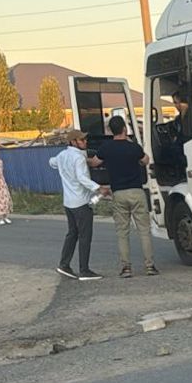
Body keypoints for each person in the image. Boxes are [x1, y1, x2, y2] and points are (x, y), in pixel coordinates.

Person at [94, 115, 157, 278]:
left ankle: (126, 268)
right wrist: (131, 143)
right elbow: (146, 160)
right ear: (124, 128)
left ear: (110, 131)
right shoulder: (133, 147)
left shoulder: (106, 148)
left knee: (122, 232)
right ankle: (150, 266)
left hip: (118, 193)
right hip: (136, 191)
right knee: (144, 231)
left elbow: (94, 162)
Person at [50, 129, 103, 281]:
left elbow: (51, 162)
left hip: (68, 202)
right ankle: (84, 270)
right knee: (85, 236)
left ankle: (64, 264)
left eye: (85, 139)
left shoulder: (62, 155)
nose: (85, 142)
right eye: (81, 140)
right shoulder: (79, 158)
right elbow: (82, 178)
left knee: (72, 233)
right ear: (73, 142)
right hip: (81, 202)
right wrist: (99, 188)